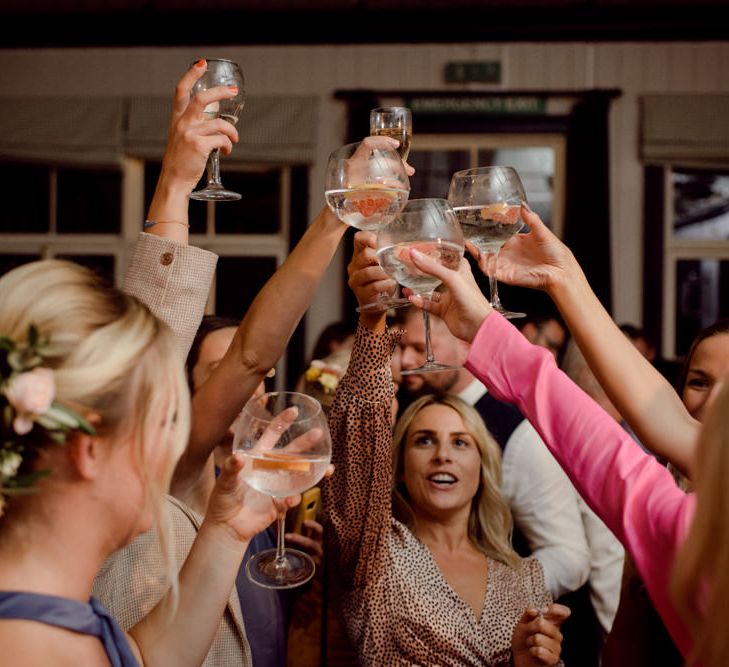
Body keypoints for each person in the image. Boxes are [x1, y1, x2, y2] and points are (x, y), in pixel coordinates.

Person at [92, 62, 355, 666]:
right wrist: (175, 185)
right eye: (219, 379)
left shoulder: (255, 506)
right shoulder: (164, 475)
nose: (249, 390)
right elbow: (249, 351)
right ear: (177, 395)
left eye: (262, 383)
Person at [404, 206, 729, 666]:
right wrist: (564, 279)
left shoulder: (690, 535)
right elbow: (669, 429)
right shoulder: (692, 524)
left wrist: (494, 322)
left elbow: (637, 442)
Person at [0, 260, 299, 666]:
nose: (172, 445)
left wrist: (226, 532)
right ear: (88, 449)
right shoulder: (27, 647)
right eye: (163, 422)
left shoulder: (48, 610)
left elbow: (146, 658)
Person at [321, 238, 570, 666]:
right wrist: (374, 320)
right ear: (398, 468)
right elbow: (360, 441)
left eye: (461, 442)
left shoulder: (525, 579)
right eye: (424, 440)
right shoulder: (374, 552)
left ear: (482, 469)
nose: (443, 455)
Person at [390, 283, 590, 604]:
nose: (404, 362)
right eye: (398, 349)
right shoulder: (403, 412)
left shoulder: (518, 434)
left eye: (418, 347)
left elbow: (569, 557)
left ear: (462, 343)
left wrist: (485, 595)